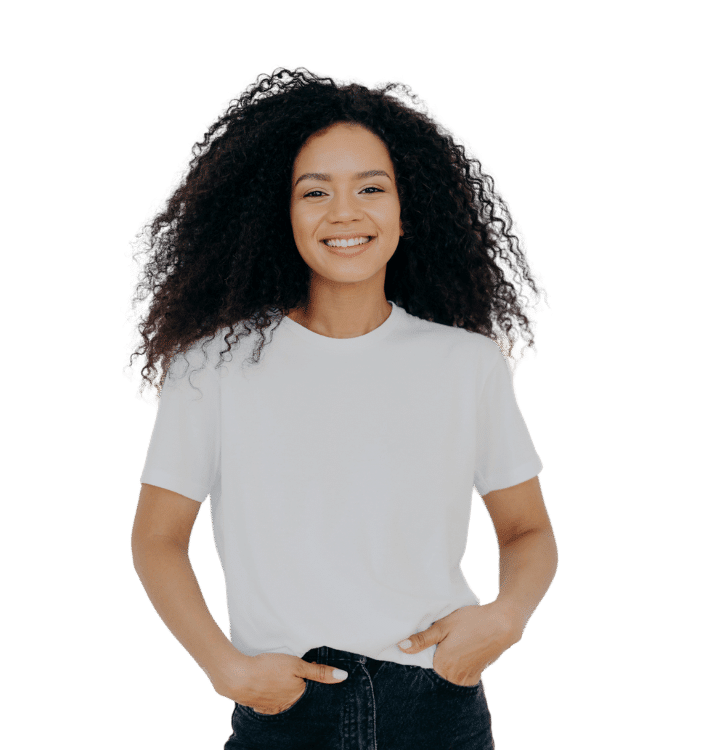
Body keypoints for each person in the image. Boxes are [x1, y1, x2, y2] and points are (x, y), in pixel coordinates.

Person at [124, 65, 559, 749]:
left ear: (406, 207)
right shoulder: (211, 369)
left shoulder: (467, 362)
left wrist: (506, 618)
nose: (345, 213)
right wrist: (227, 670)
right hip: (285, 712)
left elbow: (528, 530)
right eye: (314, 192)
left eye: (371, 189)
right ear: (280, 211)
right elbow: (156, 539)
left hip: (437, 709)